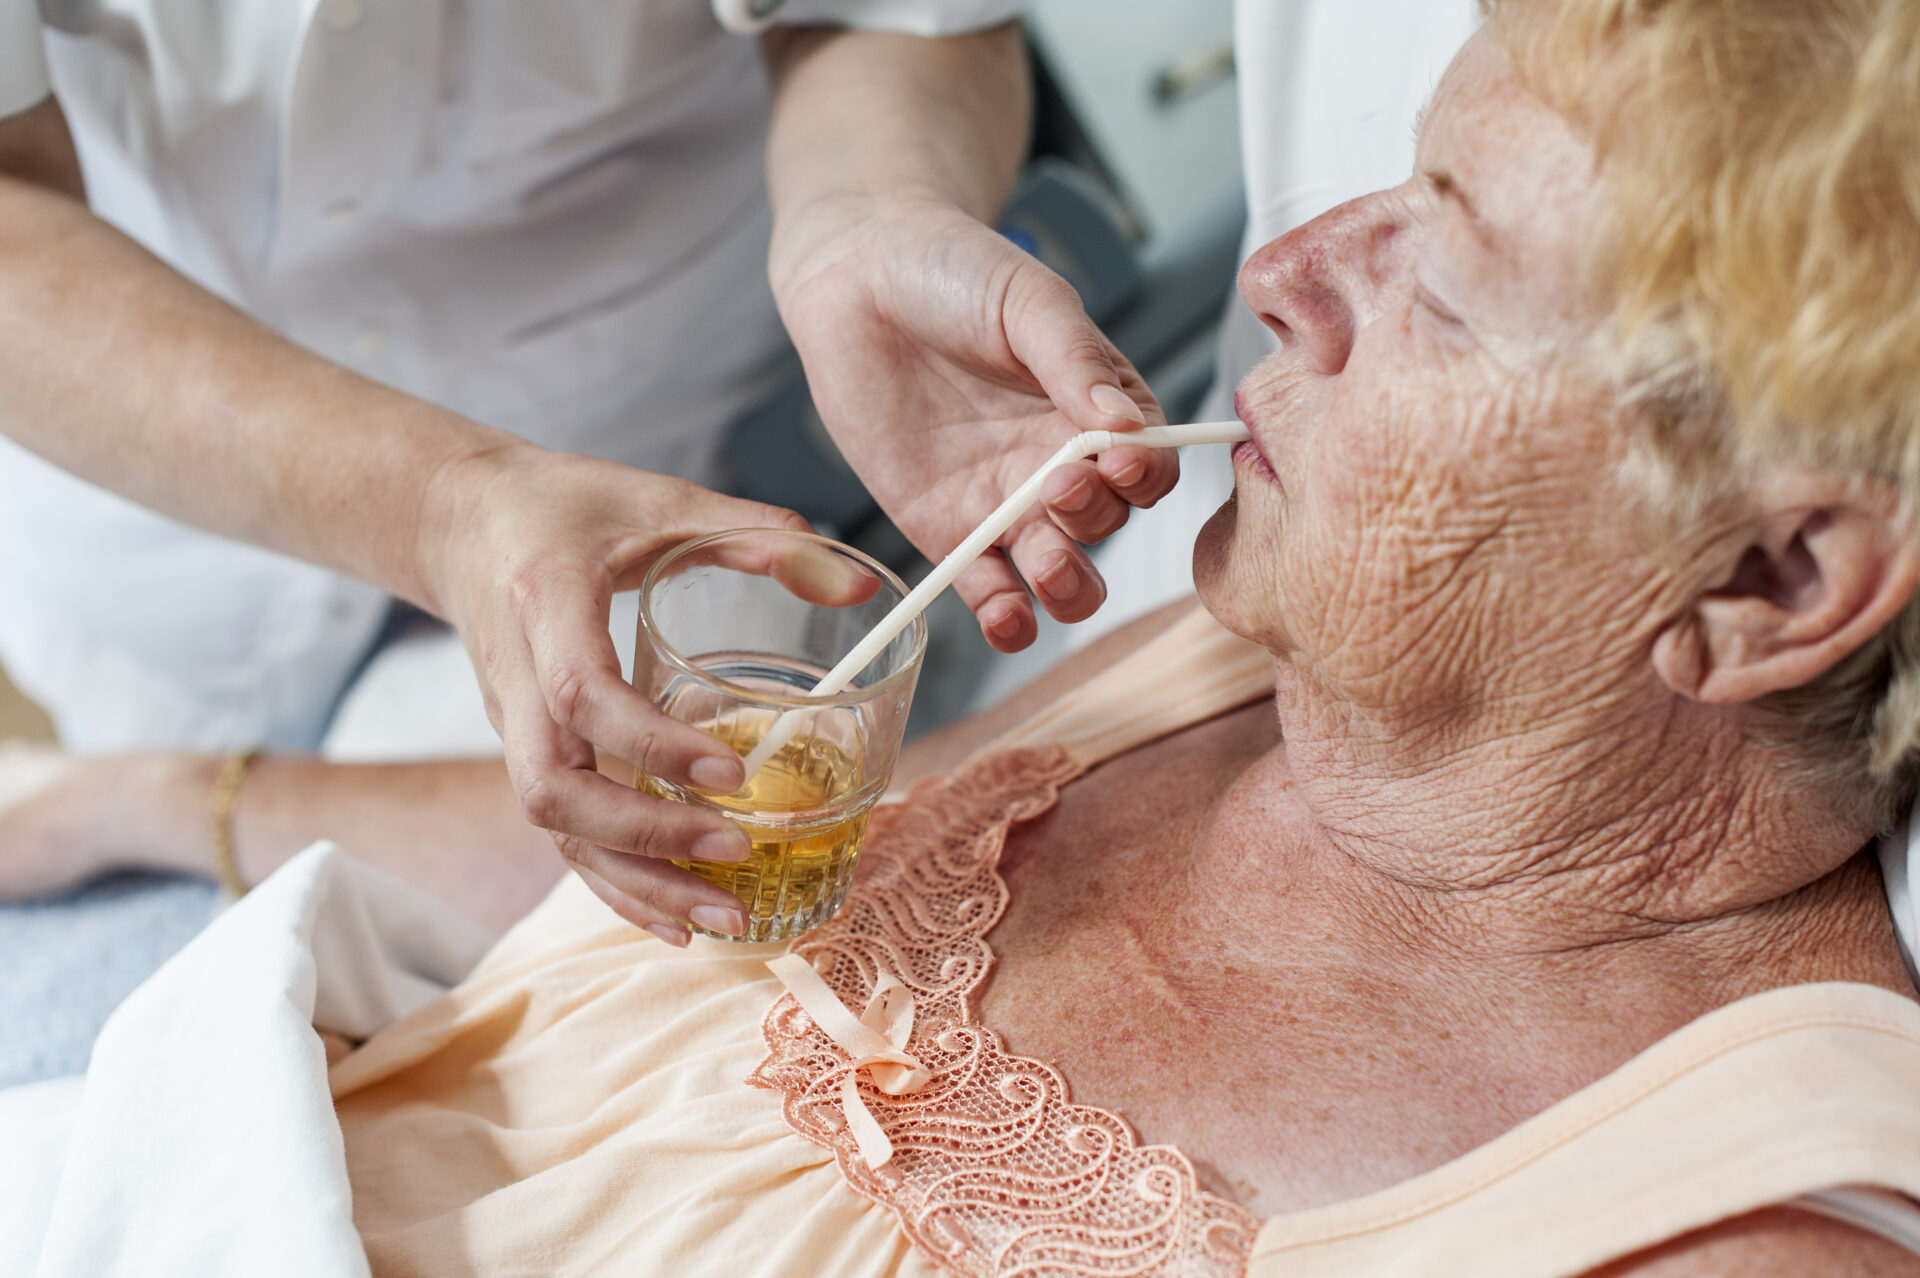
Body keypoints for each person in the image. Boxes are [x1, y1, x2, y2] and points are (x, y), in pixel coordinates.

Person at [21, 1, 1920, 1272]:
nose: (1279, 272)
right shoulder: (1276, 683)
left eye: (1440, 276)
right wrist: (163, 798)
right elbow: (703, 868)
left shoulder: (1727, 1226)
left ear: (1769, 585)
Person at [0, 0, 1178, 929]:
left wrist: (865, 212)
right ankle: (127, 801)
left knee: (633, 799)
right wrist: (438, 506)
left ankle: (137, 804)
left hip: (649, 447)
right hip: (164, 485)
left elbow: (897, 10)